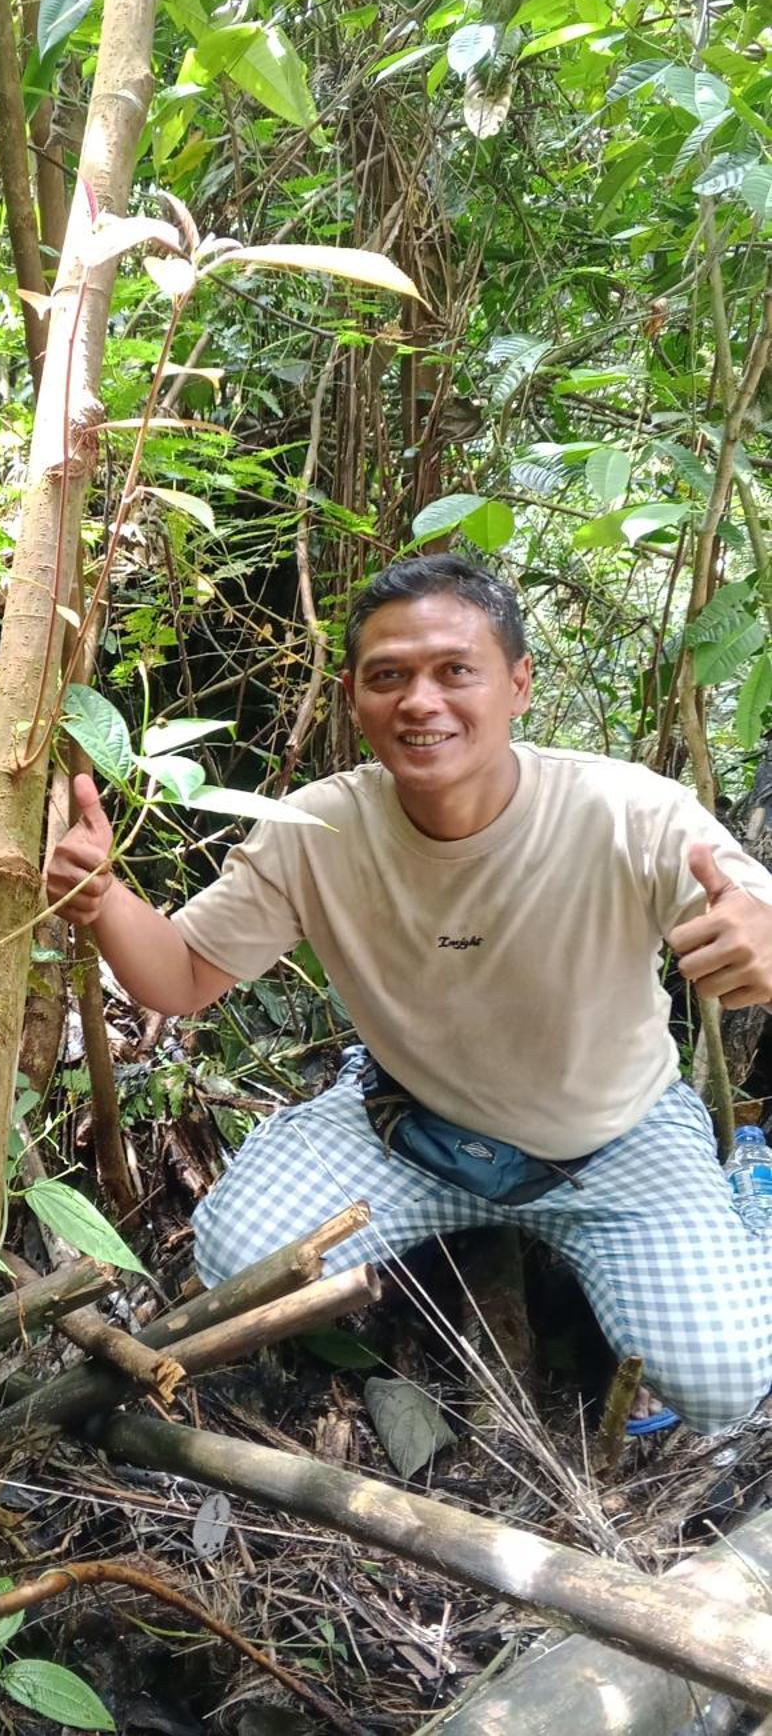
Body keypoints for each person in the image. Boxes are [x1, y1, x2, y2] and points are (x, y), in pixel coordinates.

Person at [46, 554, 772, 1432]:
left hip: (614, 1147)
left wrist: (761, 937)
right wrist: (105, 899)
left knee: (724, 1386)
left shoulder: (627, 813)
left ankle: (747, 1199)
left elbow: (748, 908)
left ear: (519, 685)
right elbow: (185, 976)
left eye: (454, 671)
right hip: (410, 1126)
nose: (420, 702)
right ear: (354, 696)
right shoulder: (319, 830)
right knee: (238, 1267)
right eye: (389, 677)